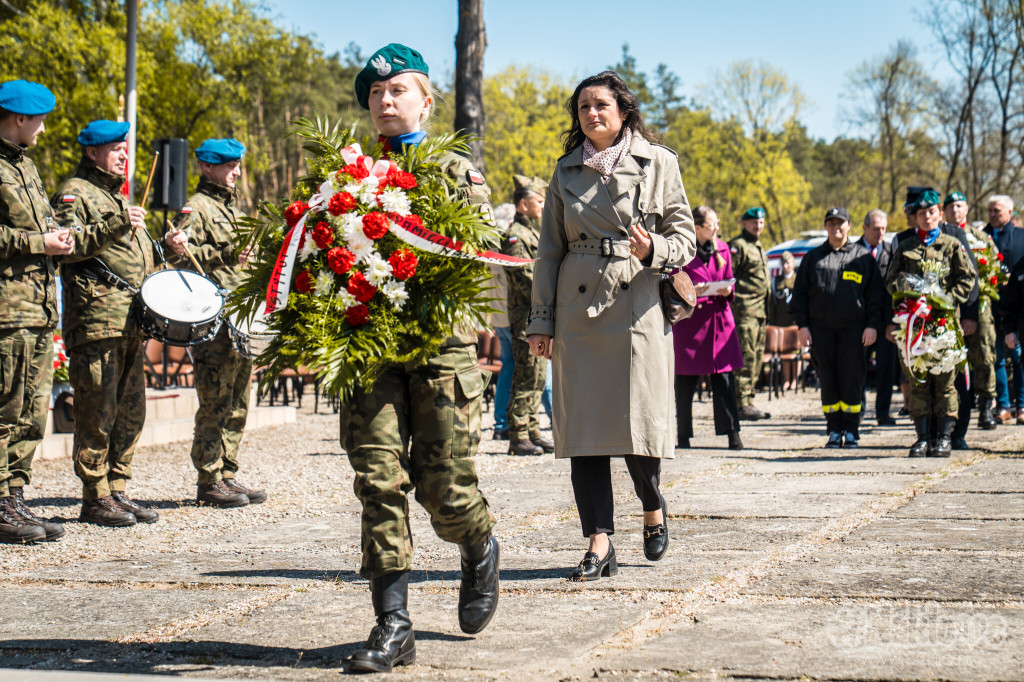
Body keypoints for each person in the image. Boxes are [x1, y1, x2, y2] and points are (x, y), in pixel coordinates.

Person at [340, 44, 499, 673]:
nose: (385, 101)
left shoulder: (455, 172)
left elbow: (480, 252)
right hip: (368, 348)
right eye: (376, 94)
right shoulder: (345, 176)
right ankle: (393, 626)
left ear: (426, 100)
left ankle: (479, 543)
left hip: (439, 348)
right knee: (379, 482)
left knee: (445, 491)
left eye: (397, 90)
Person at [525, 70, 696, 582]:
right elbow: (548, 253)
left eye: (601, 104)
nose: (592, 114)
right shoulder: (564, 173)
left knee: (636, 427)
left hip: (636, 303)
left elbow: (685, 238)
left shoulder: (659, 162)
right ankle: (599, 541)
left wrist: (656, 250)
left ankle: (652, 504)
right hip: (578, 311)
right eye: (583, 108)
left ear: (623, 110)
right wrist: (541, 321)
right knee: (585, 434)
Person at [53, 119, 188, 527]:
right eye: (115, 149)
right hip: (97, 321)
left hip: (132, 322)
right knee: (97, 408)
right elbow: (66, 245)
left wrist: (167, 248)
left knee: (131, 411)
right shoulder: (75, 193)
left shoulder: (118, 200)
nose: (124, 156)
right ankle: (93, 496)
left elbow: (142, 262)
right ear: (92, 152)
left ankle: (117, 487)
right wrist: (117, 224)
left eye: (126, 149)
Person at [168, 139, 266, 509]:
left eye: (238, 165)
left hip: (241, 318)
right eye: (229, 165)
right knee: (215, 399)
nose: (236, 172)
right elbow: (180, 258)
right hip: (214, 321)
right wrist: (226, 253)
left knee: (239, 398)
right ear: (208, 167)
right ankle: (208, 478)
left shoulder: (233, 209)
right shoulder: (197, 208)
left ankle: (227, 471)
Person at [0, 80, 74, 544]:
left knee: (31, 412)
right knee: (5, 411)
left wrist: (58, 237)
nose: (44, 129)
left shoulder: (25, 166)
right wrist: (36, 243)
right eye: (40, 119)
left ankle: (14, 497)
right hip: (8, 311)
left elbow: (40, 224)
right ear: (20, 118)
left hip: (39, 308)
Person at [886, 190, 976, 457]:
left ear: (939, 214)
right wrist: (909, 294)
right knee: (919, 381)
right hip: (916, 326)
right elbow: (891, 282)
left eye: (932, 212)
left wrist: (946, 299)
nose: (927, 217)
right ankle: (923, 437)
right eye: (921, 213)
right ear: (914, 217)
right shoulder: (906, 247)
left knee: (946, 382)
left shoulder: (952, 244)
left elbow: (967, 280)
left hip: (945, 325)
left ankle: (946, 437)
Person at [791, 207, 884, 448]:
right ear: (826, 227)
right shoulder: (813, 258)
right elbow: (799, 295)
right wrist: (802, 326)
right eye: (831, 223)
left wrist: (872, 325)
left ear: (849, 225)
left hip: (854, 331)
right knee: (828, 380)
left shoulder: (862, 257)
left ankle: (852, 430)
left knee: (852, 380)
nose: (836, 227)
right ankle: (833, 430)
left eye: (840, 223)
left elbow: (875, 296)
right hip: (820, 330)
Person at [672, 206, 743, 450]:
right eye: (712, 224)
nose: (717, 228)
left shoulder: (723, 248)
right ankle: (682, 436)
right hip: (691, 326)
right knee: (685, 384)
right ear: (698, 228)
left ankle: (732, 433)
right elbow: (673, 283)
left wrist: (727, 289)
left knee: (724, 379)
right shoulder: (682, 250)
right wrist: (696, 291)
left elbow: (731, 279)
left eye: (717, 223)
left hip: (719, 323)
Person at [500, 174, 552, 456]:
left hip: (537, 317)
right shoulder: (515, 235)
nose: (542, 206)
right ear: (522, 204)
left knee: (538, 375)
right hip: (525, 318)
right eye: (538, 201)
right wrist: (552, 290)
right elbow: (523, 277)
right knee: (526, 375)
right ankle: (518, 435)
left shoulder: (534, 232)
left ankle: (532, 430)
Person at [944, 192, 999, 442]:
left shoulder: (980, 238)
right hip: (951, 308)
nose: (955, 210)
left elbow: (996, 266)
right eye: (950, 206)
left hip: (980, 304)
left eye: (959, 205)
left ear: (967, 208)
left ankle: (986, 406)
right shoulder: (941, 237)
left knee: (984, 355)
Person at [855, 209, 899, 425]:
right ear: (864, 228)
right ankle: (859, 410)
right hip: (860, 323)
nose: (880, 233)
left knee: (886, 371)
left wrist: (892, 322)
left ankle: (883, 412)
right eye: (876, 229)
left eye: (883, 228)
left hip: (885, 323)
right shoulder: (852, 251)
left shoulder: (892, 252)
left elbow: (896, 290)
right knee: (858, 368)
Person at [984, 195, 1024, 424]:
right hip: (991, 307)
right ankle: (1003, 405)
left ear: (1010, 212)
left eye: (997, 210)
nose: (992, 214)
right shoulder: (982, 237)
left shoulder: (1021, 236)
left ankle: (1022, 405)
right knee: (997, 358)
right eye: (989, 210)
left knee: (1017, 357)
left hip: (1016, 309)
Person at [729, 207, 771, 421]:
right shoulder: (739, 246)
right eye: (754, 222)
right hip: (744, 311)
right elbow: (728, 276)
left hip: (760, 312)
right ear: (744, 223)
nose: (758, 226)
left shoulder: (758, 246)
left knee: (756, 357)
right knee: (746, 355)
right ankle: (741, 402)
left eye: (761, 222)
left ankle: (749, 399)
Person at [488, 203, 516, 441]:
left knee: (507, 367)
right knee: (536, 369)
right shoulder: (508, 246)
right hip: (512, 316)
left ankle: (501, 422)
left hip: (498, 316)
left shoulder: (489, 246)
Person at [768, 251, 796, 328]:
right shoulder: (776, 280)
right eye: (783, 263)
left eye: (787, 263)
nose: (785, 266)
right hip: (779, 321)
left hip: (794, 321)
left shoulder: (798, 279)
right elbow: (772, 303)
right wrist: (772, 323)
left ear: (793, 263)